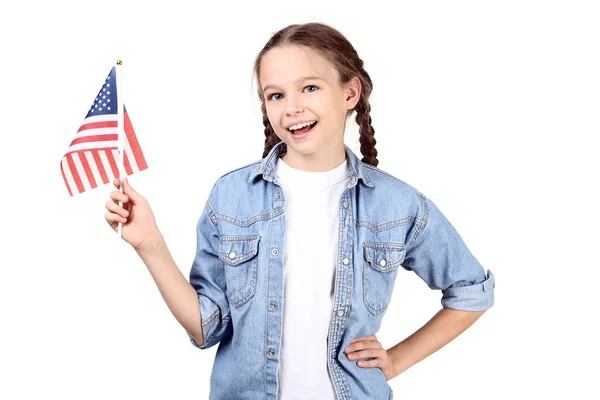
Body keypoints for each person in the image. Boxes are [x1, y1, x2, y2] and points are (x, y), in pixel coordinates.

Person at [105, 22, 495, 400]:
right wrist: (150, 244)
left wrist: (395, 360)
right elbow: (207, 330)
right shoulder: (231, 196)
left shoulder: (396, 204)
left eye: (309, 87)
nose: (291, 108)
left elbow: (471, 292)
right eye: (275, 95)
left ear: (350, 93)